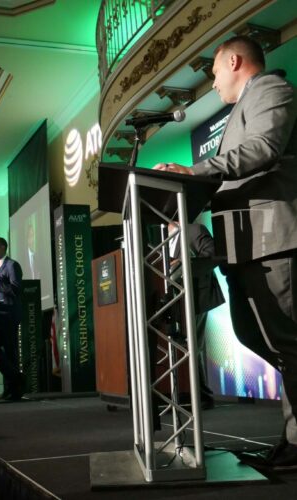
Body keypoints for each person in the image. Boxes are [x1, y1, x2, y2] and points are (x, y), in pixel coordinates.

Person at [154, 35, 297, 469]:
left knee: (289, 340)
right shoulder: (241, 107)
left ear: (234, 61)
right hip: (244, 246)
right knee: (258, 335)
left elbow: (265, 148)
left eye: (214, 72)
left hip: (274, 241)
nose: (213, 83)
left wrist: (195, 172)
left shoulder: (271, 88)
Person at [168, 223, 225, 410]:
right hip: (175, 301)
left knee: (192, 345)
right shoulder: (160, 236)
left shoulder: (194, 229)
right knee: (188, 345)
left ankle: (202, 396)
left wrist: (183, 263)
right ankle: (193, 393)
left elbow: (213, 255)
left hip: (196, 297)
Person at [0, 237, 24, 400]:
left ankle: (12, 391)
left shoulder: (12, 265)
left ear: (2, 247)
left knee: (10, 353)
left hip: (8, 316)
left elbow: (16, 290)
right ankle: (16, 378)